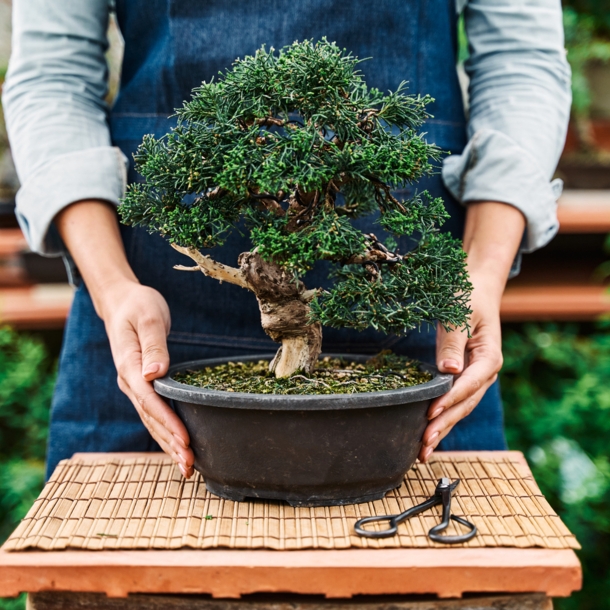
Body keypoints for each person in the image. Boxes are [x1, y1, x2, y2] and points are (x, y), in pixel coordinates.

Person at [3, 0, 571, 479]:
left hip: (413, 320)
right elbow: (54, 75)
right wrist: (111, 286)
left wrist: (483, 270)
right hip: (145, 321)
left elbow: (521, 62)